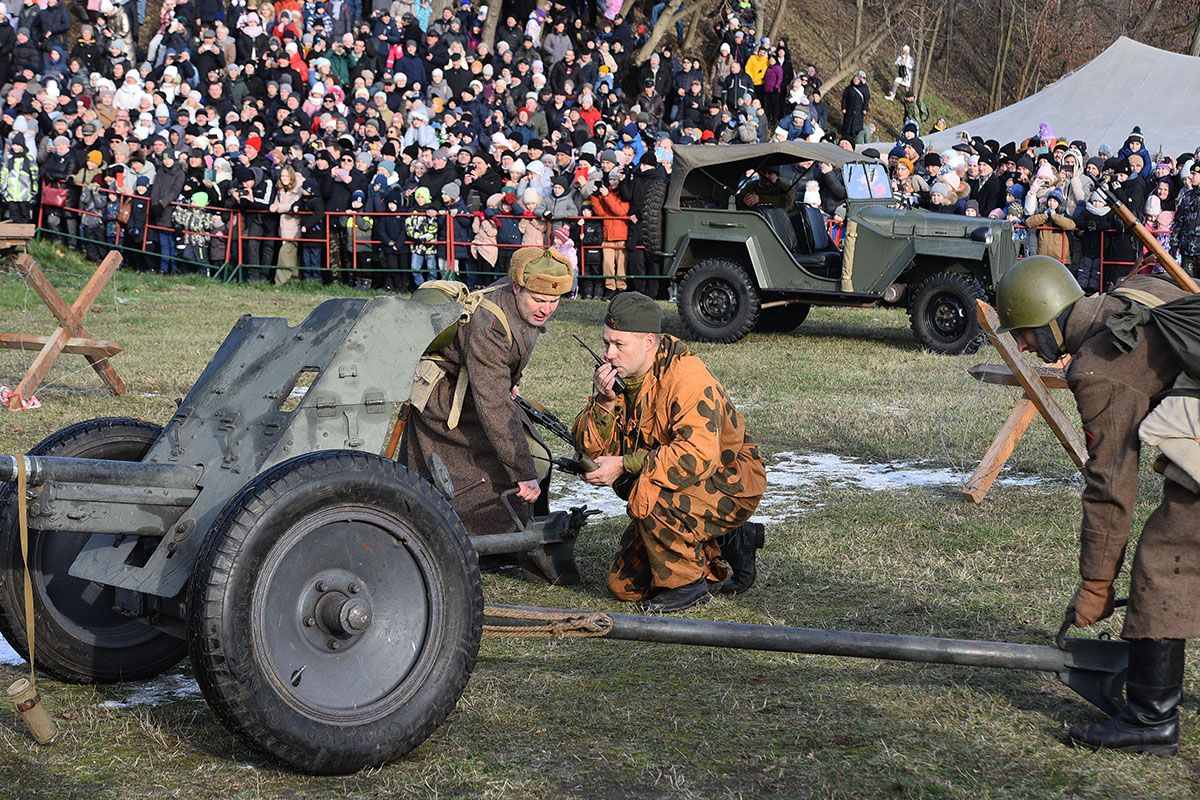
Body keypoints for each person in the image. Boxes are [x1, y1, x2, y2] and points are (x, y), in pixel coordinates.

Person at [994, 255, 1195, 756]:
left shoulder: (1099, 367)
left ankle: (1151, 721)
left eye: (1022, 332)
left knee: (1166, 557)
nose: (1020, 345)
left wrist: (1097, 582)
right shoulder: (1141, 292)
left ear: (1047, 318)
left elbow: (1110, 485)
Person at [572, 292, 768, 613]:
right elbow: (589, 448)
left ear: (649, 342)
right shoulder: (625, 378)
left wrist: (624, 464)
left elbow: (696, 457)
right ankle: (731, 539)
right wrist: (604, 402)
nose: (609, 354)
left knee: (647, 497)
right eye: (606, 342)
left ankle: (687, 587)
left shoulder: (687, 378)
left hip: (728, 483)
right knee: (624, 586)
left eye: (619, 345)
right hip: (681, 480)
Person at [400, 246, 573, 539]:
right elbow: (493, 403)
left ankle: (488, 535)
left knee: (524, 451)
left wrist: (507, 380)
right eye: (539, 299)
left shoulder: (520, 305)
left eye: (554, 300)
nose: (546, 308)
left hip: (475, 386)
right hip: (443, 402)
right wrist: (523, 473)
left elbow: (501, 369)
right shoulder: (488, 322)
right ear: (516, 287)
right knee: (472, 472)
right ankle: (459, 538)